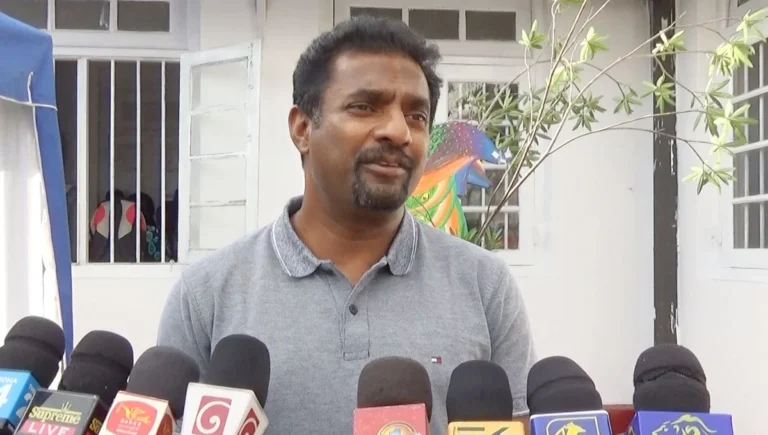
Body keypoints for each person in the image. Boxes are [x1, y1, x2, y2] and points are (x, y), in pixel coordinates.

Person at [157, 15, 536, 433]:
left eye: (416, 116)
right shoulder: (207, 295)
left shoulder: (485, 286)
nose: (398, 132)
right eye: (364, 107)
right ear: (303, 128)